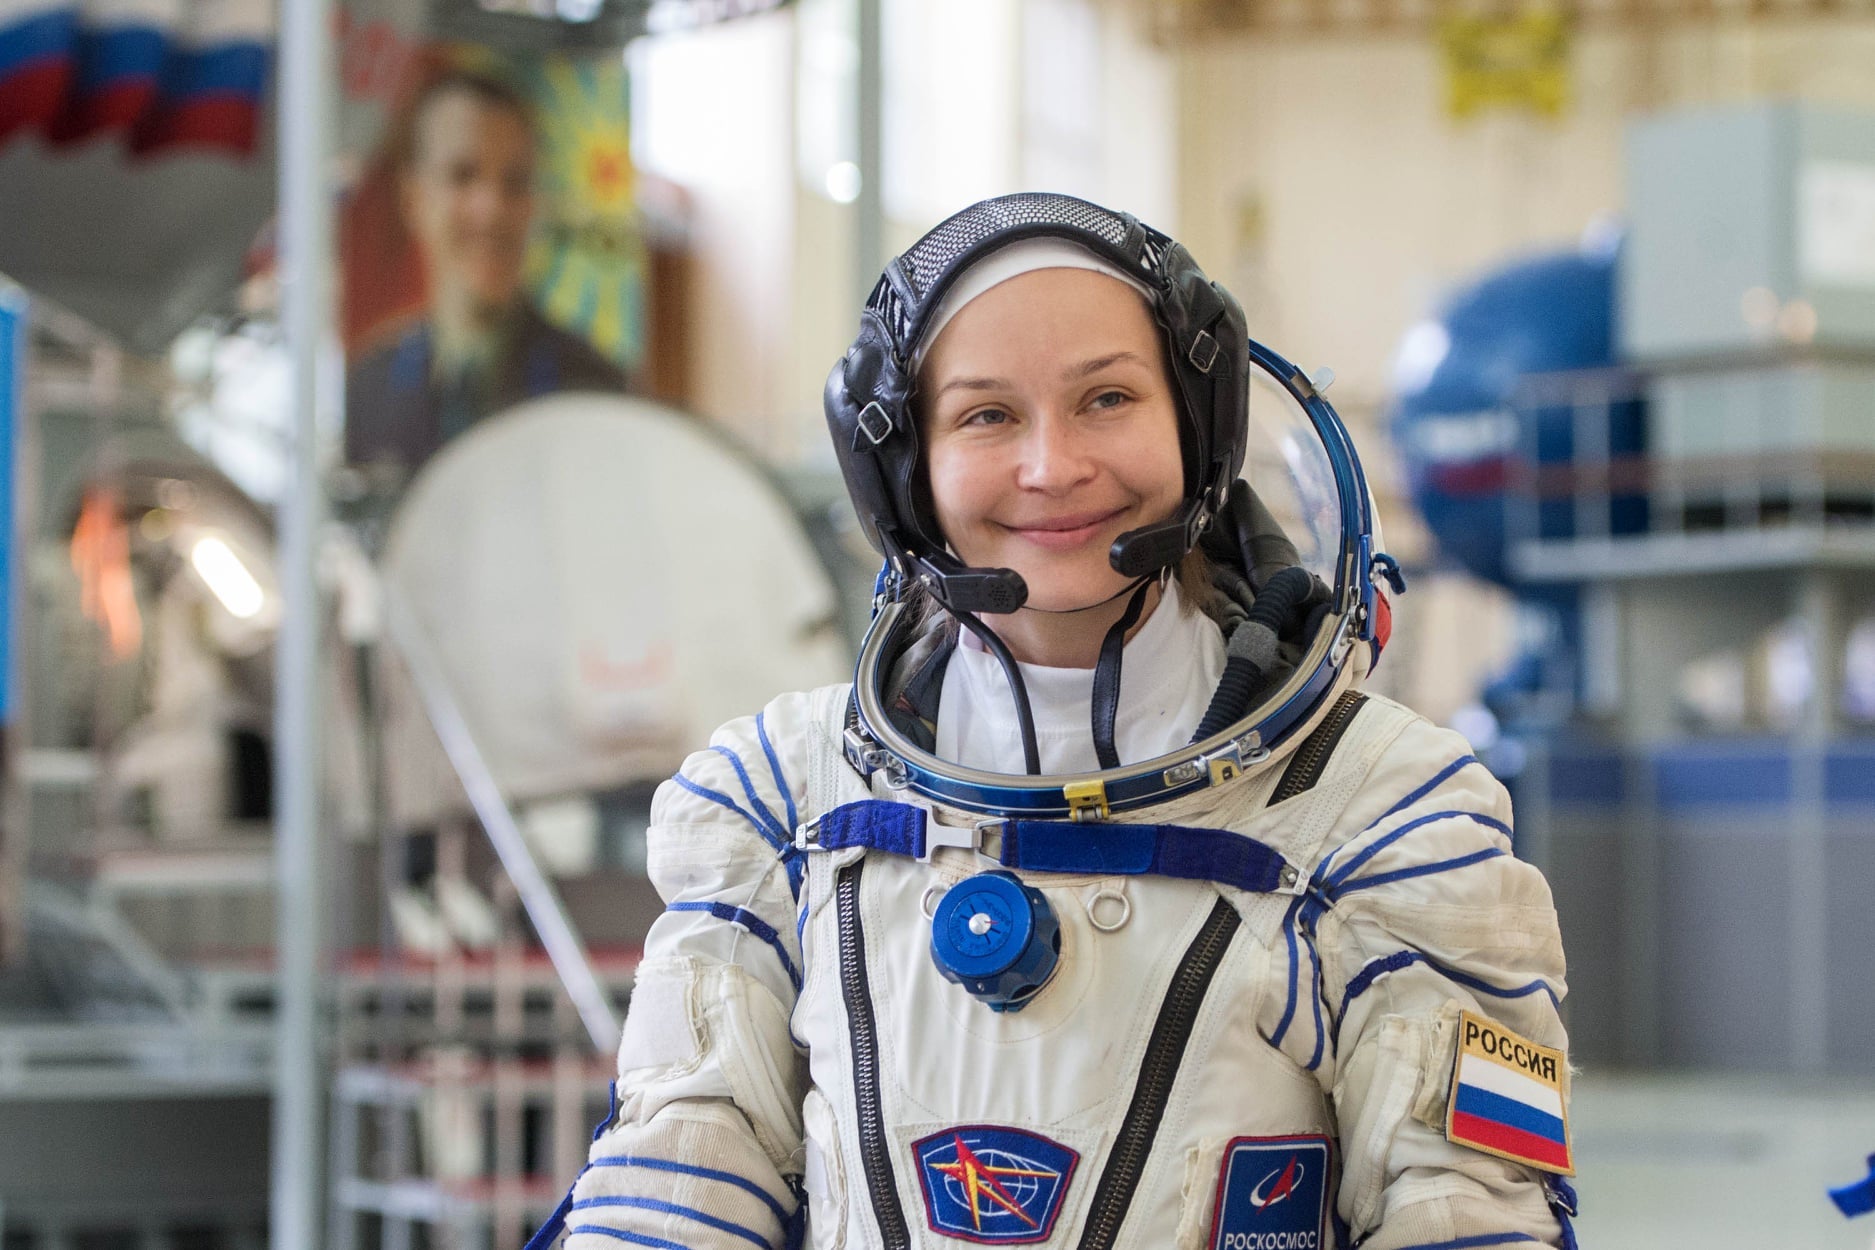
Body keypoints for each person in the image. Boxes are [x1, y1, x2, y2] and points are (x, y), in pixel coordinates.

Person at [534, 194, 1577, 1250]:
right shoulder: (782, 801)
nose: (1053, 466)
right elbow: (674, 1175)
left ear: (1197, 420)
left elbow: (1470, 1216)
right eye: (986, 415)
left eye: (1107, 398)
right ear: (901, 467)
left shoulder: (1387, 814)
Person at [344, 68, 626, 478]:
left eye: (515, 182)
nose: (491, 209)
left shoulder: (596, 392)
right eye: (463, 175)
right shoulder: (365, 392)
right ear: (413, 199)